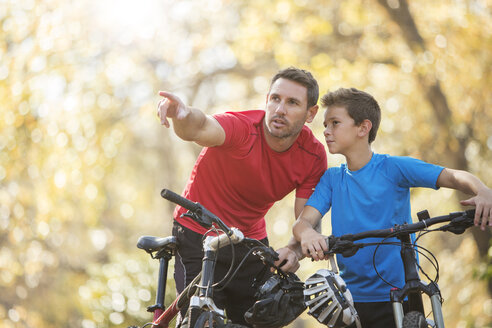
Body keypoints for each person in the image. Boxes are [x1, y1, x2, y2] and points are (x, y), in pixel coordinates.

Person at [292, 87, 492, 328]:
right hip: (349, 301)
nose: (326, 130)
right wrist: (309, 233)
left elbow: (452, 176)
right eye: (325, 124)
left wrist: (483, 191)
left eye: (335, 123)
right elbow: (302, 222)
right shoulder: (332, 179)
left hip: (402, 293)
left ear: (363, 128)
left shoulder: (393, 168)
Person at [156, 67, 327, 326]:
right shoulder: (242, 128)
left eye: (293, 103)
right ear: (267, 99)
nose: (280, 109)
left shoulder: (313, 155)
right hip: (197, 233)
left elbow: (306, 220)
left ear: (310, 113)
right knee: (201, 319)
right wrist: (182, 115)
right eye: (275, 99)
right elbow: (200, 126)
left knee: (262, 316)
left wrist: (294, 250)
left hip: (248, 239)